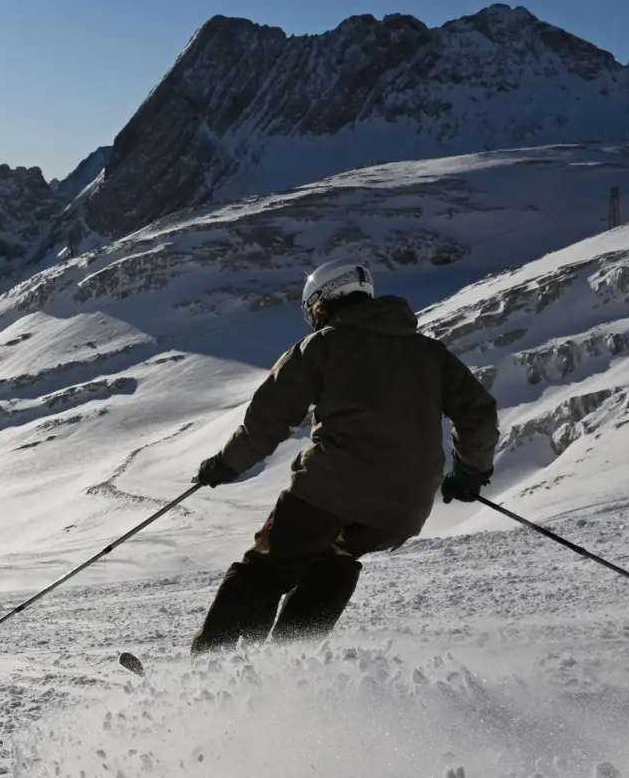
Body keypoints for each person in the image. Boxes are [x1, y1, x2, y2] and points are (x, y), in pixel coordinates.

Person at [189, 261, 499, 655]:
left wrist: (226, 463)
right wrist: (470, 471)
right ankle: (286, 671)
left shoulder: (324, 345)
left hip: (331, 488)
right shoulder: (430, 353)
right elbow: (478, 414)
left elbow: (269, 418)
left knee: (267, 568)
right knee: (333, 561)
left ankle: (212, 670)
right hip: (402, 509)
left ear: (320, 304)